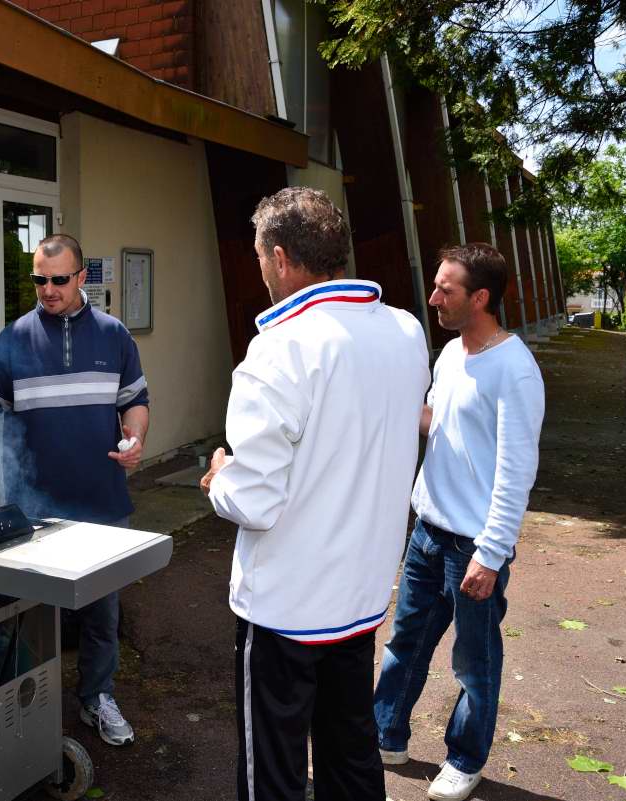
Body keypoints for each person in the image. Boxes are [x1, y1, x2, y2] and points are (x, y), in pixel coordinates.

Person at [200, 187, 430, 801]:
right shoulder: (405, 332)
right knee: (350, 748)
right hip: (359, 593)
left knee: (272, 768)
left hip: (287, 605)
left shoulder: (280, 348)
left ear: (279, 257)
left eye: (257, 256)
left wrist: (222, 475)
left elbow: (255, 501)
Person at [0, 233, 149, 747]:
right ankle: (17, 713)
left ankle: (96, 698)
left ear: (82, 277)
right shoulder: (13, 339)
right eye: (40, 278)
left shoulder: (113, 335)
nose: (49, 289)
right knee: (23, 615)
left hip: (101, 502)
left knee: (102, 615)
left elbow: (135, 400)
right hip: (34, 507)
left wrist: (135, 437)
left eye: (60, 279)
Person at [374, 243, 545, 801]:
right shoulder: (450, 355)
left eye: (446, 289)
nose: (433, 298)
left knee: (474, 662)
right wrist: (383, 403)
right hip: (428, 532)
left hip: (473, 544)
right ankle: (385, 732)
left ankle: (465, 758)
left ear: (480, 297)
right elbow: (437, 422)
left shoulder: (515, 369)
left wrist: (491, 554)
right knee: (405, 642)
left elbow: (516, 472)